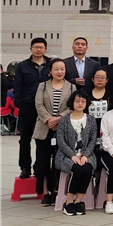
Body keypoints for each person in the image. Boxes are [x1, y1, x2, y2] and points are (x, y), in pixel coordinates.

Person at [33, 58, 76, 206]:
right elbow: (39, 104)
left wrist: (58, 119)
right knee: (43, 161)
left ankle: (57, 190)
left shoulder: (71, 87)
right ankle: (45, 192)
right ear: (50, 71)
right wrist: (48, 120)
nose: (59, 72)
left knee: (59, 161)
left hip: (62, 128)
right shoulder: (43, 86)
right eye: (56, 69)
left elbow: (72, 107)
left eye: (62, 69)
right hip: (44, 128)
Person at [55, 90, 97, 216]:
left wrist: (85, 155)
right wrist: (72, 156)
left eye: (83, 101)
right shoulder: (64, 120)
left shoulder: (91, 120)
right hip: (66, 155)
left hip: (86, 155)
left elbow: (93, 140)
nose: (80, 104)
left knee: (88, 169)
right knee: (77, 169)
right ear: (72, 103)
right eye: (77, 101)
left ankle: (78, 201)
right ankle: (69, 202)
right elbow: (61, 141)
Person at [13, 37, 50, 179]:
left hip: (45, 109)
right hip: (27, 107)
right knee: (25, 139)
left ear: (45, 49)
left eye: (41, 47)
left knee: (42, 140)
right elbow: (17, 86)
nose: (38, 49)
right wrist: (19, 104)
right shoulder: (23, 66)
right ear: (31, 49)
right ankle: (25, 167)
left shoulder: (51, 64)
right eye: (36, 47)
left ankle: (39, 167)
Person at [89, 68, 110, 172]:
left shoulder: (111, 95)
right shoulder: (86, 94)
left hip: (106, 131)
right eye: (97, 77)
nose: (100, 80)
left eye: (103, 77)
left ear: (107, 80)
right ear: (92, 79)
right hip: (90, 131)